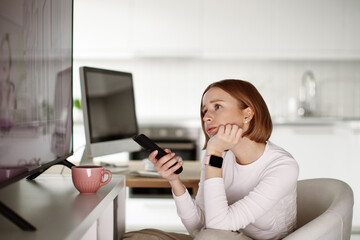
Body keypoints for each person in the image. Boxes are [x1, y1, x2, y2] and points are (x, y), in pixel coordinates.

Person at [122, 79, 299, 240]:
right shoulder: (220, 156)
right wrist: (174, 181)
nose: (206, 117)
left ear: (247, 115)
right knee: (134, 238)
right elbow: (198, 228)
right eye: (205, 111)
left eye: (218, 107)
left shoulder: (283, 167)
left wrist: (214, 152)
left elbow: (215, 229)